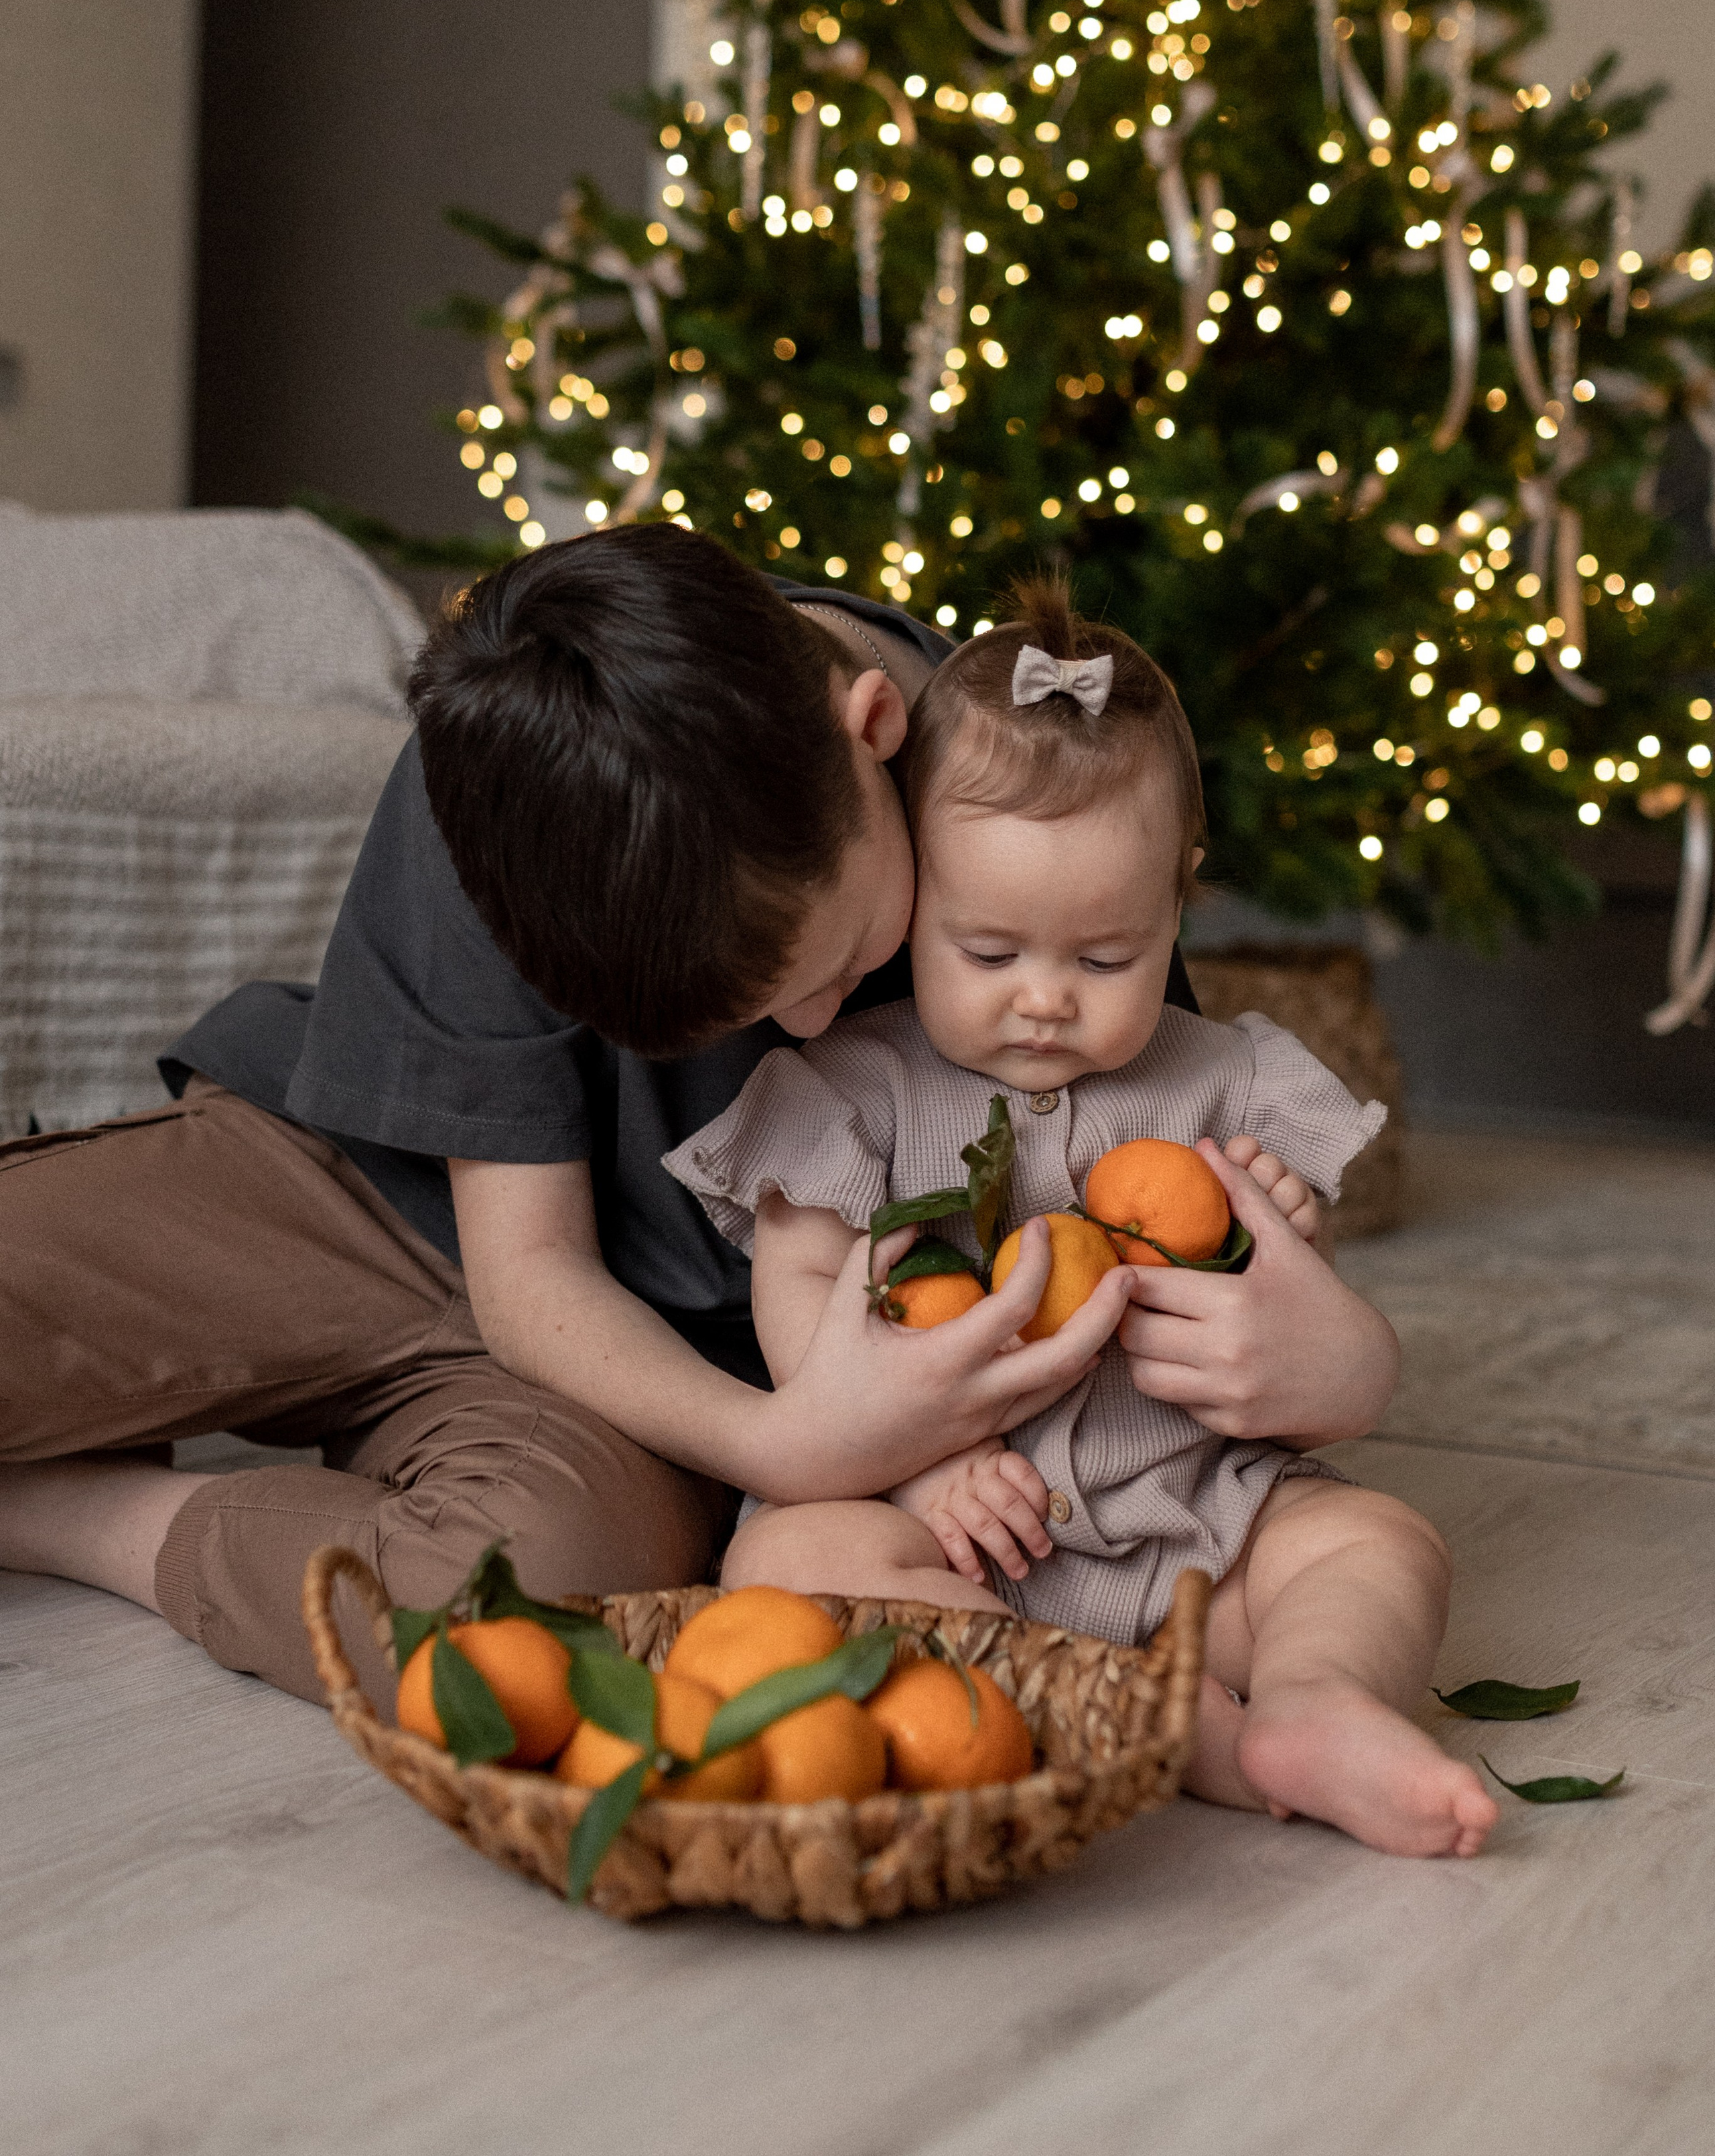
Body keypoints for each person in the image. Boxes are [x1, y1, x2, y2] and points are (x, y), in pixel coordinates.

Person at [0, 528, 1401, 1733]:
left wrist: (811, 1448)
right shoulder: (521, 764)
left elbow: (1124, 1279)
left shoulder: (1039, 829)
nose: (803, 1033)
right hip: (353, 1195)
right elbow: (525, 1273)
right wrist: (793, 1446)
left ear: (874, 732)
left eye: (837, 962)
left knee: (513, 1627)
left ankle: (68, 1512)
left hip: (652, 1387)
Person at [665, 580, 1497, 1859]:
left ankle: (1319, 1699)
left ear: (1179, 904)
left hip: (1193, 1523)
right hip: (946, 1537)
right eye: (988, 953)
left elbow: (1304, 1332)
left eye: (1104, 958)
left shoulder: (1235, 1085)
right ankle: (1170, 1726)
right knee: (790, 1564)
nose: (1044, 999)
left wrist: (1297, 1289)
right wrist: (924, 1467)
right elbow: (806, 1319)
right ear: (917, 892)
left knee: (1375, 1544)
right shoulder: (848, 1091)